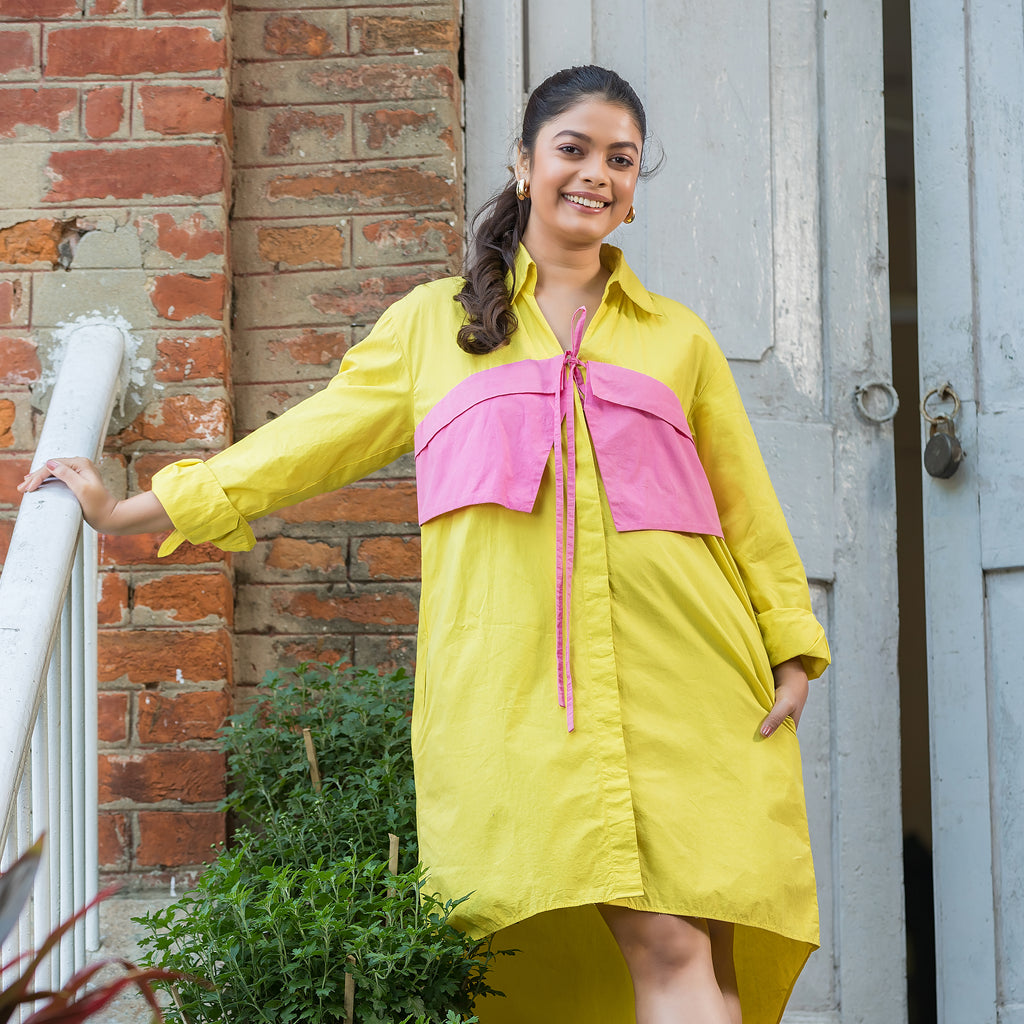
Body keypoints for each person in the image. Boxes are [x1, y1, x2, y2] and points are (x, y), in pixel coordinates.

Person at [20, 66, 829, 1024]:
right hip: (532, 698)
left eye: (621, 160)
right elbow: (305, 444)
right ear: (523, 162)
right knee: (668, 945)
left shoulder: (679, 340)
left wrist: (789, 646)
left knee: (712, 951)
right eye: (573, 150)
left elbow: (744, 507)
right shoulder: (433, 328)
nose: (597, 175)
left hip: (694, 678)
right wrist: (132, 510)